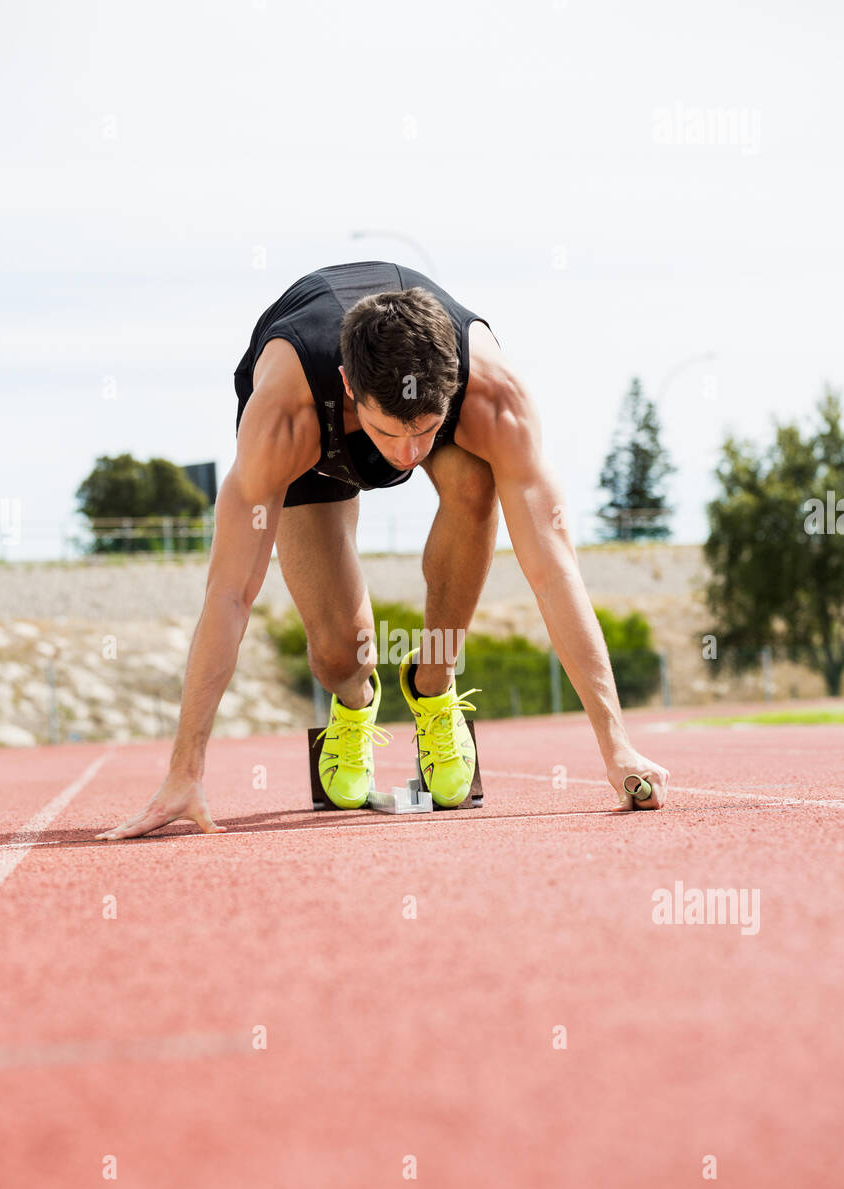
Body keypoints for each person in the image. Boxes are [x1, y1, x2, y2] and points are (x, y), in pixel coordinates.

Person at [98, 261, 668, 839]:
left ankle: (435, 683)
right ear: (349, 386)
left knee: (476, 484)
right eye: (391, 433)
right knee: (341, 654)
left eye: (425, 429)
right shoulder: (281, 418)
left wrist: (617, 748)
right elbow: (229, 596)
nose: (408, 454)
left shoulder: (494, 399)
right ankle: (352, 702)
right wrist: (184, 770)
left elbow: (552, 571)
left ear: (453, 389)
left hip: (423, 409)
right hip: (319, 437)